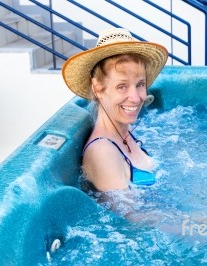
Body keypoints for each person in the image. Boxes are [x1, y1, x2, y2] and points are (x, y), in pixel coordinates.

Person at [62, 28, 168, 218]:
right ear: (97, 88)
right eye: (122, 86)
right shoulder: (103, 152)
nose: (135, 98)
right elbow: (136, 220)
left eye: (140, 84)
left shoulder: (124, 133)